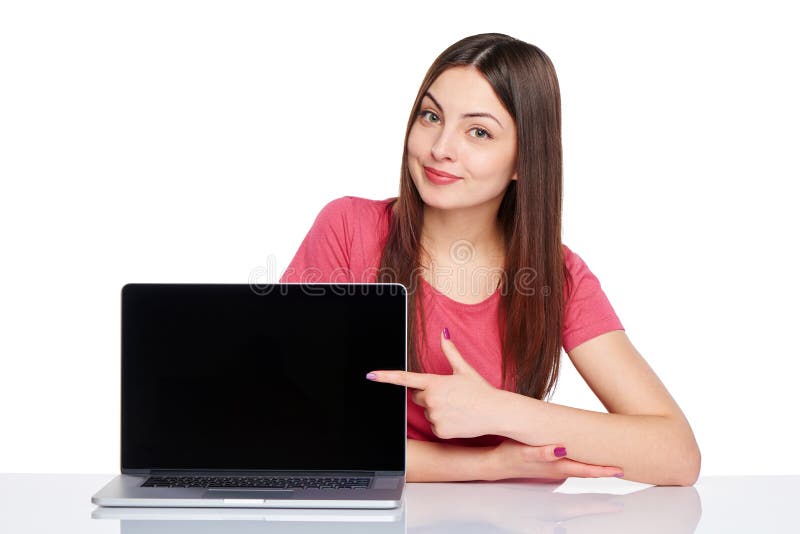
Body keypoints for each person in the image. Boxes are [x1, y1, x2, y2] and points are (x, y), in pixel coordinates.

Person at [279, 33, 700, 486]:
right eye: (431, 116)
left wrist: (497, 410)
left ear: (524, 159)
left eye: (478, 131)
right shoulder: (349, 228)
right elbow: (287, 425)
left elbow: (676, 455)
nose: (441, 147)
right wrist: (490, 464)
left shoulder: (556, 275)